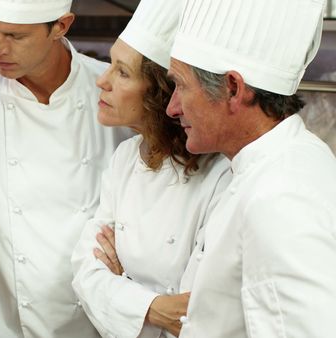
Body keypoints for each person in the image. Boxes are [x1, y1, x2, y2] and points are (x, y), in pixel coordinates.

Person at [0, 0, 129, 336]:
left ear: (61, 26)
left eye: (15, 36)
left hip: (98, 323)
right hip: (1, 325)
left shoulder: (111, 92)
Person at [166, 0, 336, 337]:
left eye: (181, 85)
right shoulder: (273, 165)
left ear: (233, 89)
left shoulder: (281, 196)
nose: (172, 108)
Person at [70, 0, 231, 337]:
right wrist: (153, 307)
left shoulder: (220, 173)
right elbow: (85, 271)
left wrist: (119, 287)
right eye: (109, 65)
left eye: (122, 72)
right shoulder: (126, 157)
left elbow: (195, 312)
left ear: (161, 94)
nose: (102, 80)